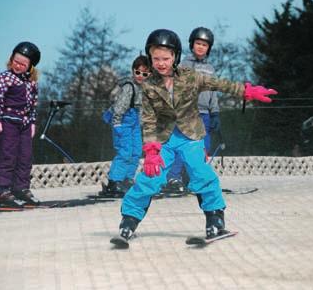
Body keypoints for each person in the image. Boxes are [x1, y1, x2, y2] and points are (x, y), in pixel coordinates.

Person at [110, 29, 276, 247]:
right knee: (149, 178)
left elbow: (218, 84)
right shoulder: (149, 87)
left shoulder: (189, 77)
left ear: (175, 57)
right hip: (164, 142)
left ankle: (215, 219)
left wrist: (244, 91)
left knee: (201, 174)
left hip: (191, 138)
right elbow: (148, 120)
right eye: (156, 58)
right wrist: (151, 151)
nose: (161, 63)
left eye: (166, 58)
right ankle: (129, 222)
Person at [0, 42, 41, 207]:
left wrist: (32, 122)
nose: (18, 66)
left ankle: (20, 188)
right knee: (7, 155)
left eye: (23, 64)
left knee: (25, 156)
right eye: (16, 61)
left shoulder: (32, 83)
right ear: (11, 59)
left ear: (30, 67)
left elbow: (33, 104)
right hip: (7, 122)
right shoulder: (5, 78)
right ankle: (0, 190)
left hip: (24, 124)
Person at [166, 27, 220, 192]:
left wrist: (215, 112)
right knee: (184, 146)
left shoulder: (210, 69)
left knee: (203, 147)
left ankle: (194, 178)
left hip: (205, 114)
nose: (200, 47)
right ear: (192, 44)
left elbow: (213, 92)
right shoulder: (184, 65)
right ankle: (173, 177)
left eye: (204, 44)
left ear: (208, 48)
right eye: (198, 43)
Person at [102, 55, 151, 196]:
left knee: (136, 151)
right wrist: (117, 123)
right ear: (133, 71)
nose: (140, 76)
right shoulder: (129, 87)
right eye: (138, 72)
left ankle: (127, 179)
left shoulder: (143, 88)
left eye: (144, 74)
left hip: (134, 123)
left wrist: (142, 124)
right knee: (125, 151)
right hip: (123, 121)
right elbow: (120, 106)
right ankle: (114, 181)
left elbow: (141, 108)